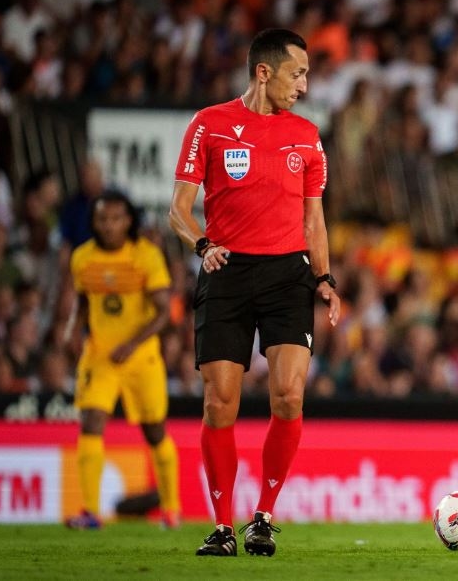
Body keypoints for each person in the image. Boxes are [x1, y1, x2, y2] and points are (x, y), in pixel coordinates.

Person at [169, 28, 341, 557]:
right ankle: (222, 526)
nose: (305, 86)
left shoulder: (307, 136)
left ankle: (263, 516)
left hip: (289, 275)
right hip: (227, 273)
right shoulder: (209, 125)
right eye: (298, 74)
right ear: (264, 72)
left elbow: (315, 220)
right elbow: (178, 207)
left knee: (288, 395)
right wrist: (202, 245)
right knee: (221, 403)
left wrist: (326, 279)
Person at [64, 190, 179, 530]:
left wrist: (132, 344)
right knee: (91, 422)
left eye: (116, 218)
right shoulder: (82, 258)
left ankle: (171, 509)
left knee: (154, 429)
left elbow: (162, 313)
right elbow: (84, 302)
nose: (109, 225)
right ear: (94, 221)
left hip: (141, 358)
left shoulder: (146, 257)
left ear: (129, 220)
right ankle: (89, 511)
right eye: (102, 219)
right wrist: (73, 328)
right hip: (100, 355)